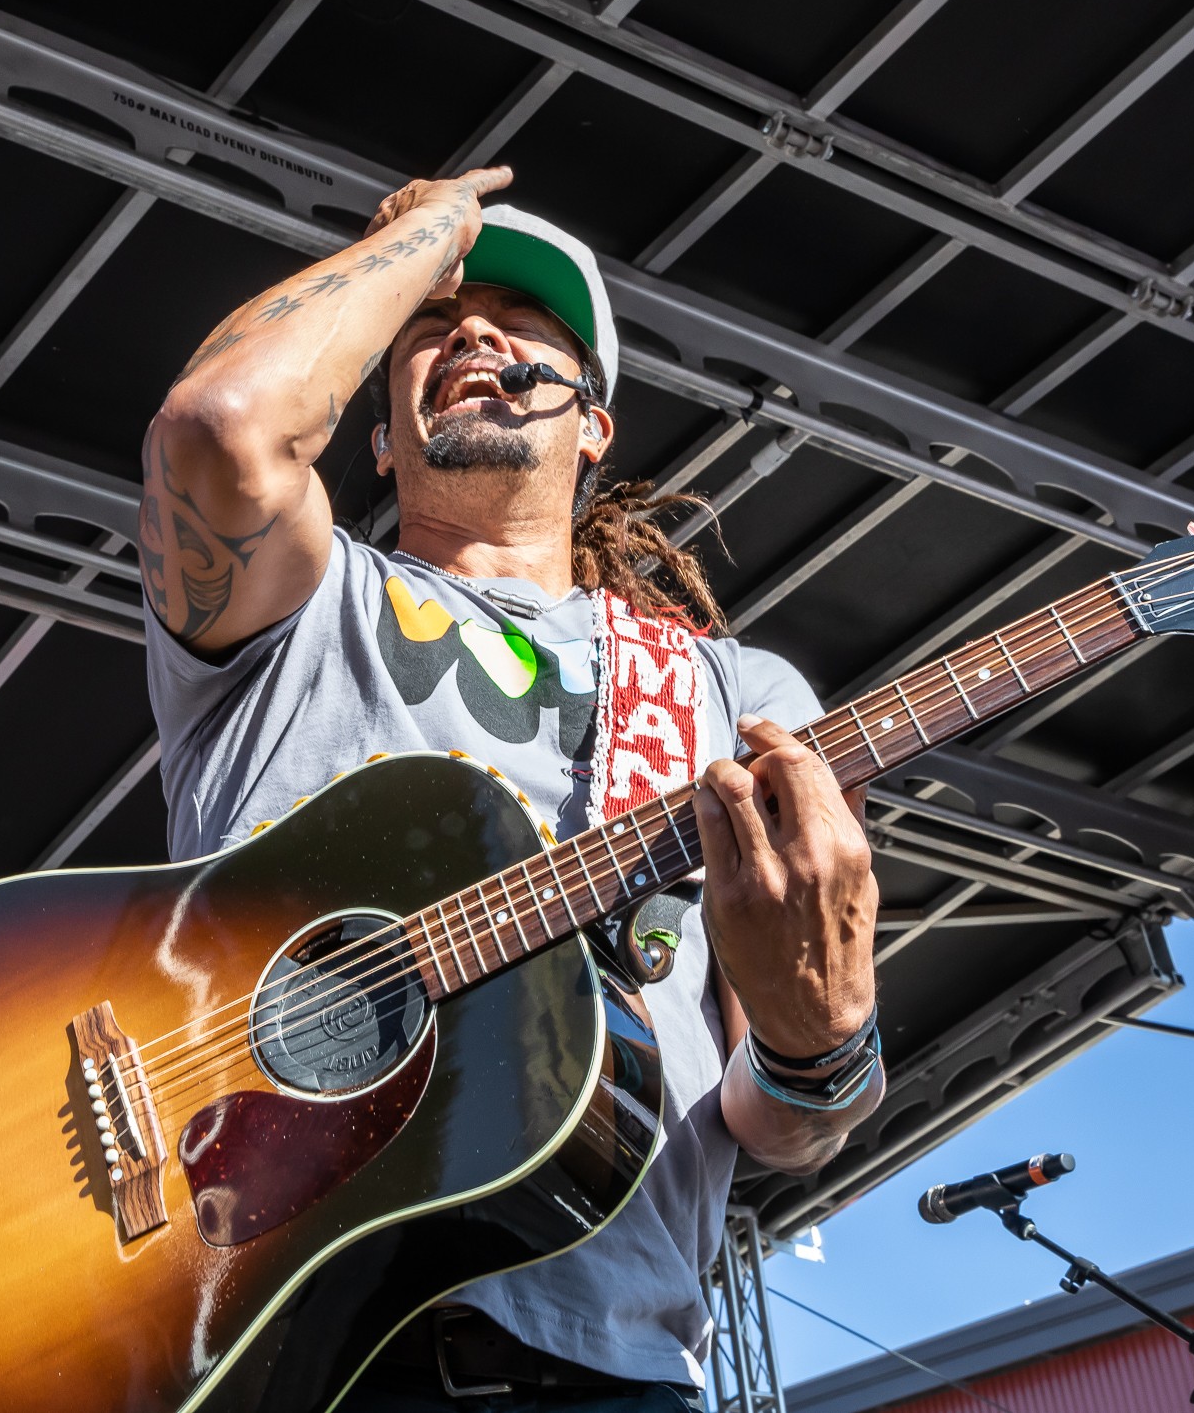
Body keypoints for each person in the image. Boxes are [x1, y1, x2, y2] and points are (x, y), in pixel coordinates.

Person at [140, 165, 882, 1412]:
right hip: (261, 1347)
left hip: (604, 1372)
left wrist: (821, 1039)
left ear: (592, 421)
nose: (476, 330)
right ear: (376, 433)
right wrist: (424, 238)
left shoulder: (727, 697)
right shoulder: (305, 604)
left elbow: (785, 1127)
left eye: (522, 325)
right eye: (433, 327)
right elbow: (218, 423)